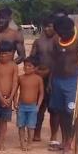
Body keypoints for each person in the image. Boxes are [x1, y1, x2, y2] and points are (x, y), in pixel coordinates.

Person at [50, 15, 78, 154]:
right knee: (61, 112)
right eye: (62, 33)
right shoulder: (56, 40)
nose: (65, 35)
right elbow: (54, 61)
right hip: (57, 80)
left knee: (71, 113)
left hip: (72, 81)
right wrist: (50, 81)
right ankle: (65, 139)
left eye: (67, 33)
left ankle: (69, 143)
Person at [30, 15, 60, 146]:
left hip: (54, 76)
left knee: (54, 108)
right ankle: (36, 133)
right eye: (46, 26)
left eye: (50, 26)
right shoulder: (38, 42)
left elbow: (61, 61)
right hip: (39, 76)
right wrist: (36, 71)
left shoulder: (59, 41)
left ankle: (54, 136)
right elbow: (32, 58)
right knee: (39, 107)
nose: (47, 29)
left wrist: (50, 73)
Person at [0, 40, 18, 150]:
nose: (3, 56)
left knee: (4, 121)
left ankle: (1, 142)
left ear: (11, 54)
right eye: (0, 54)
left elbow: (15, 82)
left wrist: (11, 98)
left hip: (8, 98)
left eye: (5, 54)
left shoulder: (14, 66)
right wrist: (0, 97)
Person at [14, 56, 44, 151]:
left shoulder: (38, 79)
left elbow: (41, 93)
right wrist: (15, 101)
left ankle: (29, 143)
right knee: (21, 125)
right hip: (22, 106)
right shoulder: (20, 78)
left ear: (35, 68)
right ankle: (22, 142)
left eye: (29, 66)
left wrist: (38, 105)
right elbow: (15, 90)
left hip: (33, 107)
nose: (26, 68)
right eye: (25, 66)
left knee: (31, 127)